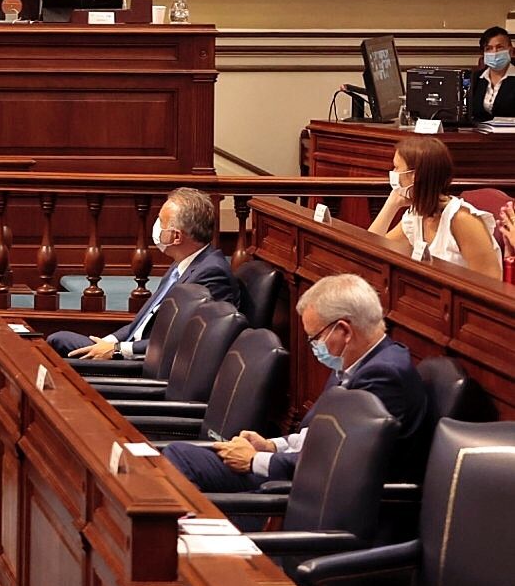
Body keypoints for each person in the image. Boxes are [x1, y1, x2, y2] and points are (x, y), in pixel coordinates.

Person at [165, 273, 433, 493]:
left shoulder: (384, 376)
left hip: (319, 497)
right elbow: (317, 437)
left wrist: (255, 460)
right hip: (299, 474)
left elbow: (336, 460)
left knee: (181, 460)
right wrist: (272, 445)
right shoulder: (356, 360)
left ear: (344, 331)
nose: (313, 347)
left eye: (314, 337)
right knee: (177, 456)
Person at [47, 187, 240, 358]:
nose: (156, 227)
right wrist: (107, 343)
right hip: (127, 348)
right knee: (61, 340)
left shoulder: (211, 274)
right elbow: (139, 324)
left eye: (161, 222)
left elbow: (184, 342)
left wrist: (117, 349)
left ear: (176, 236)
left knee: (58, 342)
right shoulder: (182, 264)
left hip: (143, 362)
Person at [367, 134, 500, 279]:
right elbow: (371, 250)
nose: (393, 173)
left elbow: (490, 282)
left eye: (397, 167)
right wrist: (391, 204)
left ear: (414, 176)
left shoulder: (462, 220)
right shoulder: (416, 215)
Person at [471, 27, 515, 120]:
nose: (494, 52)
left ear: (510, 51)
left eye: (499, 47)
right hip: (479, 133)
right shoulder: (474, 79)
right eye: (489, 48)